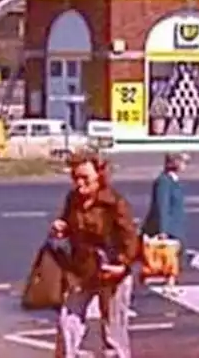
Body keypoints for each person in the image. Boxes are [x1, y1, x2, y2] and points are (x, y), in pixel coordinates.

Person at [50, 152, 140, 358]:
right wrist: (61, 228)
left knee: (113, 330)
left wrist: (123, 265)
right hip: (83, 269)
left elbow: (130, 238)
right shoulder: (73, 199)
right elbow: (68, 223)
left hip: (112, 272)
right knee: (68, 319)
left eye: (85, 178)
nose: (79, 184)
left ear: (99, 176)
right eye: (75, 178)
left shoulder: (114, 203)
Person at [142, 154, 188, 281]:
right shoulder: (164, 182)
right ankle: (149, 282)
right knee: (165, 256)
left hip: (175, 226)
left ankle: (170, 283)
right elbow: (162, 205)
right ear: (174, 163)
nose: (185, 165)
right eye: (183, 161)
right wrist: (163, 229)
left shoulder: (174, 181)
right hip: (168, 227)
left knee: (173, 257)